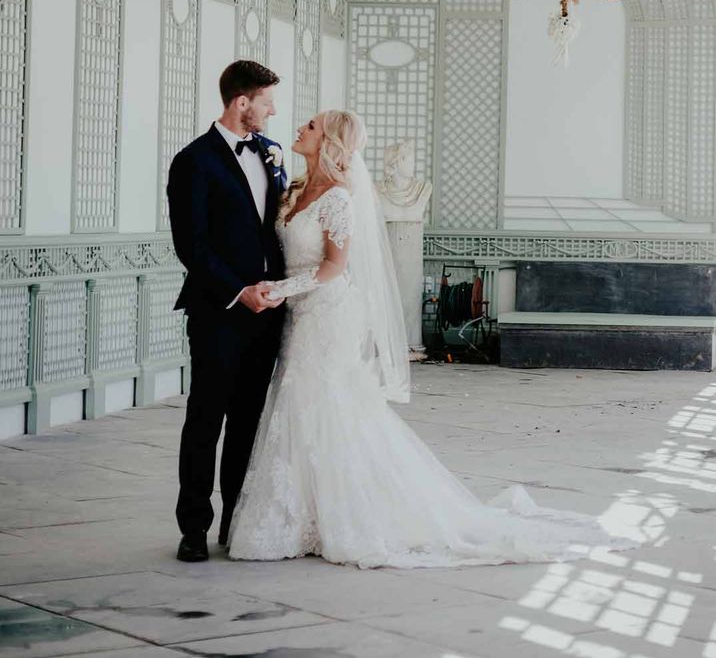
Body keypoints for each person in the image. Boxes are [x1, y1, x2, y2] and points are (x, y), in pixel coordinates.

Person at [227, 110, 636, 568]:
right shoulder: (295, 190)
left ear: (331, 142)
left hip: (326, 314)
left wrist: (278, 291)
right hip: (298, 315)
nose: (301, 128)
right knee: (299, 405)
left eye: (312, 126)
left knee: (324, 403)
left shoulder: (339, 198)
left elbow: (334, 268)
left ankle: (343, 515)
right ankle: (303, 513)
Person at [167, 59, 287, 563]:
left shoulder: (267, 155)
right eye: (266, 101)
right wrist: (241, 290)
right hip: (219, 310)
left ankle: (237, 519)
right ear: (243, 103)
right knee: (205, 417)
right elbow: (191, 245)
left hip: (269, 312)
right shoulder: (193, 161)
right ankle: (193, 527)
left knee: (247, 420)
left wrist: (278, 290)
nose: (272, 110)